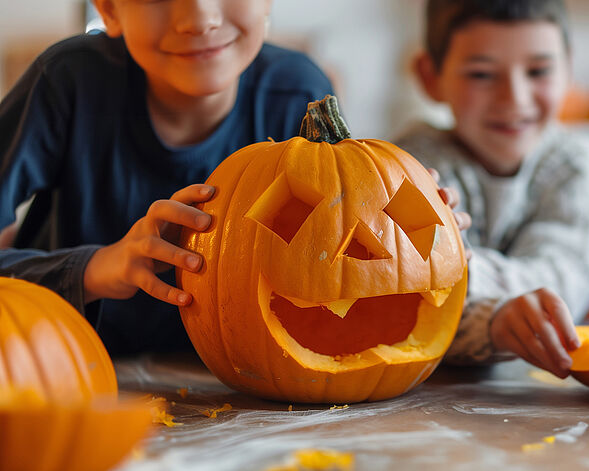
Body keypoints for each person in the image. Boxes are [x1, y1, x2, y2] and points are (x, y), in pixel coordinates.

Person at [0, 0, 467, 356]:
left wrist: (419, 226)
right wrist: (97, 268)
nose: (198, 18)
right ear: (108, 9)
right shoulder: (65, 83)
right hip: (59, 364)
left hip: (239, 386)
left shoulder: (297, 91)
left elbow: (340, 250)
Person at [396, 0, 589, 378]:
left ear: (568, 68)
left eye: (538, 71)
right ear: (430, 77)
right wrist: (493, 320)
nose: (514, 99)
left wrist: (463, 270)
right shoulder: (408, 166)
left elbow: (565, 277)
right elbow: (407, 293)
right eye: (481, 74)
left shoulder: (573, 163)